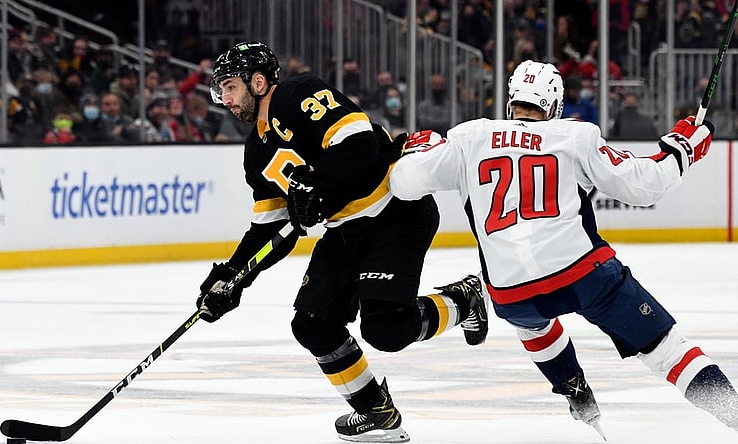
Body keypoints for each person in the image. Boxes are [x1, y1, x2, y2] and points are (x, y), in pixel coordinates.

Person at [389, 60, 738, 439]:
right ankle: (732, 412)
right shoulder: (575, 137)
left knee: (528, 316)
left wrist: (420, 151)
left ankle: (575, 391)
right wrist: (682, 150)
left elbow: (404, 183)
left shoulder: (468, 137)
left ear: (511, 101)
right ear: (554, 105)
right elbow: (645, 185)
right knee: (667, 350)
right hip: (584, 277)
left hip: (509, 293)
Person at [200, 41, 488, 443]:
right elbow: (270, 230)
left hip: (393, 212)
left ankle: (463, 299)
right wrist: (232, 277)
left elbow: (360, 145)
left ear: (259, 81)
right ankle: (377, 412)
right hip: (346, 231)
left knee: (387, 331)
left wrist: (314, 185)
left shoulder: (298, 95)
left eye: (230, 87)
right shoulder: (256, 153)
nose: (225, 99)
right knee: (312, 324)